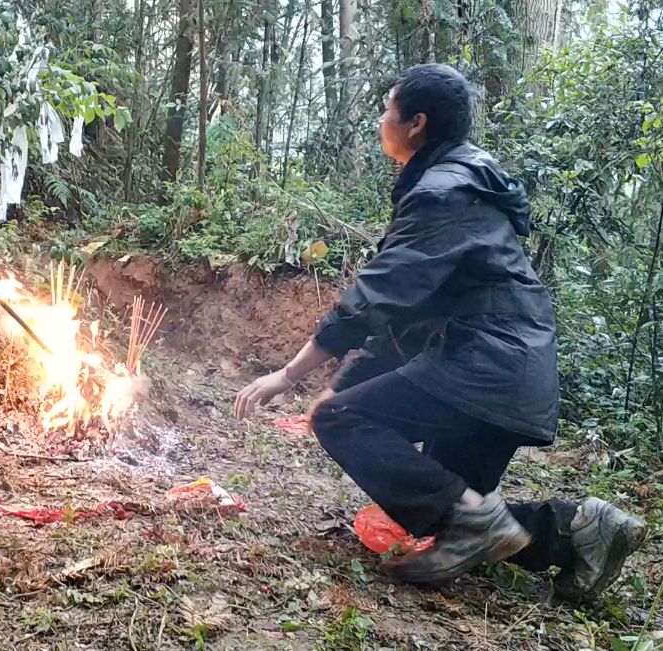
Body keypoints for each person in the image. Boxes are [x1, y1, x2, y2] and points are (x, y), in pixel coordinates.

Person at [236, 64, 645, 602]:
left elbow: (376, 297)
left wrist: (291, 377)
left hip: (484, 367)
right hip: (510, 373)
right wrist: (348, 379)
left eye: (387, 108)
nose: (381, 118)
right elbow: (406, 313)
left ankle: (480, 520)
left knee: (342, 421)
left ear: (416, 123)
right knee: (458, 516)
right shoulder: (462, 183)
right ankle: (576, 528)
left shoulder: (442, 192)